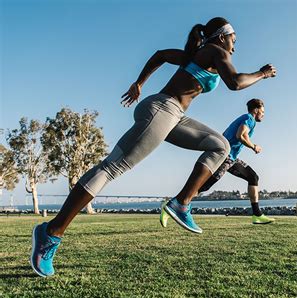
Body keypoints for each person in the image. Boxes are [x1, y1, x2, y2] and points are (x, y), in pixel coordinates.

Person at [30, 17, 277, 277]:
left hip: (174, 116)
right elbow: (235, 82)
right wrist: (263, 73)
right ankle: (51, 233)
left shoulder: (195, 55)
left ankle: (181, 203)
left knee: (220, 146)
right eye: (233, 40)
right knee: (112, 168)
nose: (234, 47)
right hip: (163, 109)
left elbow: (161, 55)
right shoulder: (215, 51)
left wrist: (140, 83)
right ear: (221, 36)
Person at [160, 98, 274, 226]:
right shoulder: (249, 119)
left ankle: (257, 215)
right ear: (256, 110)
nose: (263, 115)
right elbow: (241, 135)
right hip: (225, 157)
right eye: (262, 112)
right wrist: (254, 146)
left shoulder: (245, 118)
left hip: (231, 158)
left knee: (253, 177)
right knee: (204, 186)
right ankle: (174, 204)